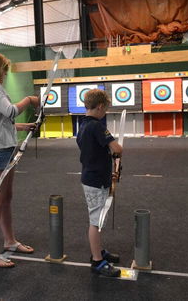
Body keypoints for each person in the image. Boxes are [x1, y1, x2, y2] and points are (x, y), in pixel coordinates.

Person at [0, 51, 39, 268]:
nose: (5, 73)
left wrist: (23, 127)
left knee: (5, 197)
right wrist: (29, 100)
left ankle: (10, 241)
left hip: (3, 148)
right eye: (4, 68)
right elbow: (10, 111)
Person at [76, 89, 123, 277]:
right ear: (101, 106)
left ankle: (99, 251)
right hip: (95, 180)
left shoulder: (83, 125)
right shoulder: (96, 126)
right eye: (106, 109)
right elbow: (117, 148)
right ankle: (97, 260)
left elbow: (97, 151)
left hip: (93, 177)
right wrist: (118, 150)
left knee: (98, 219)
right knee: (96, 221)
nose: (105, 113)